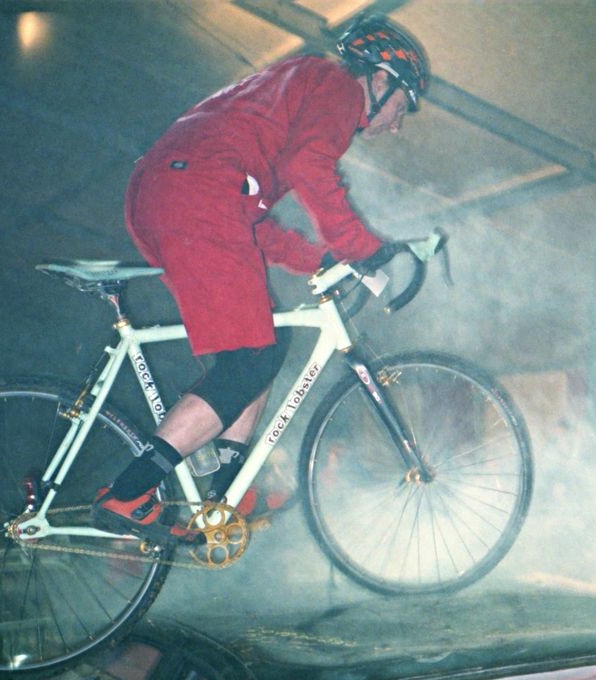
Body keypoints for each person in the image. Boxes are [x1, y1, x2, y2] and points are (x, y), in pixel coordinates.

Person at [92, 16, 429, 539]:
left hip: (176, 192)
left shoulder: (297, 91)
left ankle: (229, 491)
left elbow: (250, 221)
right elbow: (310, 169)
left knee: (260, 345)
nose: (396, 124)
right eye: (402, 107)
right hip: (195, 194)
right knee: (254, 357)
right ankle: (129, 492)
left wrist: (316, 259)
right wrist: (364, 249)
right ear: (379, 80)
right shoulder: (338, 88)